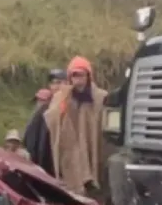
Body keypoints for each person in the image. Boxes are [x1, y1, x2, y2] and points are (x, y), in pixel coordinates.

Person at [38, 56, 108, 197]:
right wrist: (62, 108)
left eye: (81, 74)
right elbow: (51, 118)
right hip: (72, 148)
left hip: (92, 144)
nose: (78, 79)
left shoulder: (100, 97)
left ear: (88, 76)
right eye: (74, 75)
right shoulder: (62, 97)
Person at [23, 70, 66, 175]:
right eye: (53, 83)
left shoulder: (73, 106)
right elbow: (30, 137)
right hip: (46, 163)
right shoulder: (44, 109)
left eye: (59, 83)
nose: (56, 87)